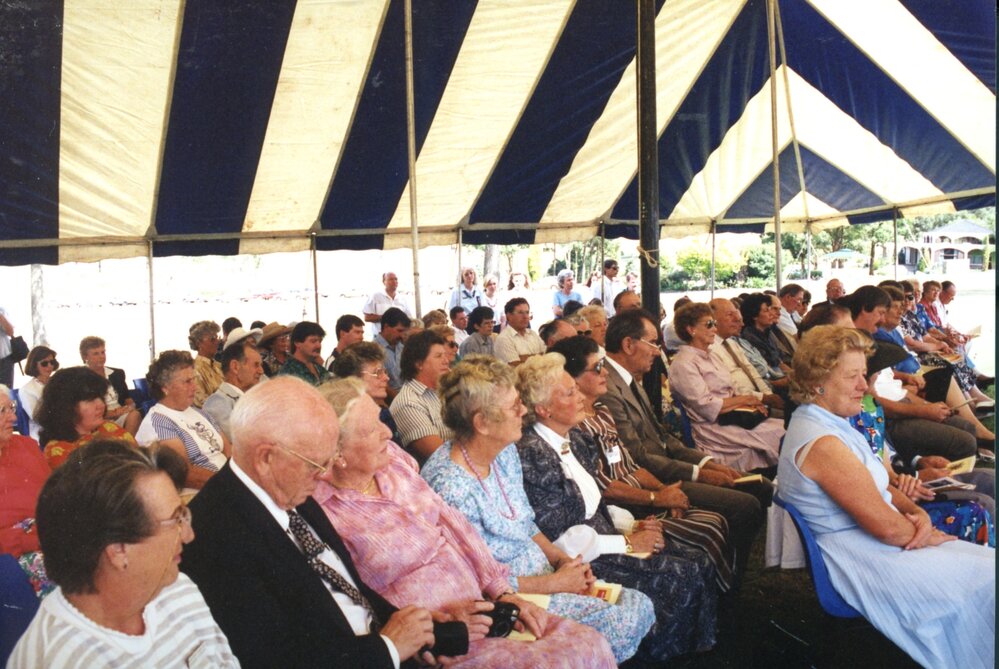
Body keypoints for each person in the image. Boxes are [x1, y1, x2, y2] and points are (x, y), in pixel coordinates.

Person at [314, 378, 618, 669]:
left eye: (383, 421)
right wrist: (434, 626)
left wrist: (502, 593)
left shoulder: (394, 462)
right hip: (440, 638)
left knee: (591, 644)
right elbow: (358, 601)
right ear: (336, 452)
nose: (389, 434)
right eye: (371, 430)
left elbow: (453, 524)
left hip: (484, 610)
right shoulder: (323, 513)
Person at [181, 376, 456, 669]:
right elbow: (275, 660)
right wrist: (388, 648)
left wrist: (412, 624)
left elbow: (350, 590)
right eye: (316, 463)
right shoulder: (214, 537)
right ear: (266, 458)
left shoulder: (291, 490)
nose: (325, 473)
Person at [776, 325, 994, 669]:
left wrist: (916, 513)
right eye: (853, 377)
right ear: (818, 381)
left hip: (870, 545)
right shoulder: (823, 442)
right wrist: (928, 534)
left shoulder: (827, 423)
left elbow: (881, 484)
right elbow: (887, 529)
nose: (864, 387)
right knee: (987, 580)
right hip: (861, 559)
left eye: (864, 375)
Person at [421, 357, 656, 664]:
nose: (523, 411)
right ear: (482, 423)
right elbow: (473, 583)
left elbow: (527, 525)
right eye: (514, 405)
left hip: (545, 576)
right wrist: (555, 583)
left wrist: (564, 562)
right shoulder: (450, 487)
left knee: (639, 603)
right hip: (511, 601)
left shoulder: (503, 453)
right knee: (624, 620)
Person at [514, 354, 721, 660]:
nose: (581, 396)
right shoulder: (533, 454)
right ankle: (661, 656)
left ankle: (693, 651)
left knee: (699, 559)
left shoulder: (575, 439)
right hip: (578, 558)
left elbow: (595, 501)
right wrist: (627, 542)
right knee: (682, 573)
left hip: (605, 538)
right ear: (543, 409)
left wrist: (632, 526)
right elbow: (559, 535)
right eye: (570, 393)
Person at [9, 439, 238, 667]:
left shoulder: (177, 588)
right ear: (118, 550)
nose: (189, 535)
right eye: (176, 520)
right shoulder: (64, 659)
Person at [550, 337, 736, 588]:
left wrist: (664, 491)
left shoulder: (602, 409)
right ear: (573, 378)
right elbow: (606, 488)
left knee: (715, 523)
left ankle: (721, 599)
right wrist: (656, 499)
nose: (605, 372)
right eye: (596, 368)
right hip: (622, 507)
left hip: (640, 495)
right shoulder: (576, 426)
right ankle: (719, 601)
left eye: (603, 364)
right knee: (707, 533)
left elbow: (630, 464)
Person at [599, 309, 767, 581]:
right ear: (628, 344)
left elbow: (663, 438)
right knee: (745, 505)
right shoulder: (608, 386)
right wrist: (700, 474)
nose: (658, 351)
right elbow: (638, 455)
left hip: (667, 469)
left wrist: (706, 462)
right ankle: (729, 582)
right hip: (655, 479)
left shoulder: (629, 378)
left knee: (758, 485)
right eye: (652, 343)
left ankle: (731, 573)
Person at [669, 303, 784, 472]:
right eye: (709, 324)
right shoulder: (684, 364)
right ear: (690, 329)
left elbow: (731, 389)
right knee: (781, 435)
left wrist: (750, 404)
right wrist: (746, 399)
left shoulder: (710, 356)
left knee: (785, 429)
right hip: (714, 429)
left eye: (714, 324)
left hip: (734, 417)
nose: (714, 329)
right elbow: (706, 405)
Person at [136, 351, 232, 489]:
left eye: (193, 379)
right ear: (165, 388)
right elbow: (185, 473)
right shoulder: (159, 421)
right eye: (187, 381)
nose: (195, 386)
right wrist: (230, 485)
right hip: (200, 491)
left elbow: (228, 450)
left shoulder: (200, 413)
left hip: (224, 482)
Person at [36, 367, 137, 469]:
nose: (101, 405)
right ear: (66, 407)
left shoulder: (110, 427)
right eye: (90, 400)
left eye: (101, 397)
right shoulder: (59, 452)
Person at [0, 387, 50, 577]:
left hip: (49, 533)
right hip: (13, 556)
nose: (13, 418)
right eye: (2, 411)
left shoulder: (26, 446)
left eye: (11, 408)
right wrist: (28, 540)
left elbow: (54, 496)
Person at [707, 299, 785, 411]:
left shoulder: (732, 343)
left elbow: (751, 371)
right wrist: (764, 398)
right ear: (713, 320)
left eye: (736, 315)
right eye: (730, 315)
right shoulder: (709, 349)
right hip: (741, 406)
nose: (737, 320)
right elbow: (730, 386)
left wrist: (768, 394)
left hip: (759, 399)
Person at [390, 330, 453, 462]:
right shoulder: (408, 403)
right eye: (438, 356)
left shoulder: (444, 390)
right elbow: (440, 457)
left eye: (445, 355)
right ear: (419, 364)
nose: (446, 361)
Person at [330, 341, 399, 441]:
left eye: (384, 371)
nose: (386, 378)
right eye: (378, 373)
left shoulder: (382, 412)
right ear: (354, 378)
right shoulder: (348, 423)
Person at [203, 335, 265, 440]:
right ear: (235, 367)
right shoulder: (217, 402)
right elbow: (241, 441)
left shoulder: (253, 398)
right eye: (256, 365)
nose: (261, 371)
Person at [80, 335, 141, 436]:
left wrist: (130, 407)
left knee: (135, 415)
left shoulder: (117, 373)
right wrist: (111, 414)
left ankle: (128, 447)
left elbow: (127, 398)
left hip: (120, 413)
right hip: (98, 417)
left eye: (103, 352)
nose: (101, 356)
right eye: (96, 353)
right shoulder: (81, 377)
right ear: (85, 357)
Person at [740, 293, 790, 372]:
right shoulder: (749, 337)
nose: (771, 314)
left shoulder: (767, 332)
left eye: (770, 309)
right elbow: (771, 363)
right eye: (767, 311)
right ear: (754, 315)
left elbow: (780, 356)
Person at [19, 346, 59, 442]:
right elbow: (37, 417)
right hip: (43, 434)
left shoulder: (58, 382)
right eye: (44, 363)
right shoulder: (27, 390)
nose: (49, 366)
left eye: (52, 362)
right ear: (34, 365)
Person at [276, 321, 331, 386]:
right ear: (297, 343)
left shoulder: (320, 369)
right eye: (313, 341)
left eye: (320, 341)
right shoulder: (288, 373)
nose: (318, 345)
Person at [494, 298, 545, 366]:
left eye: (527, 312)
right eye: (520, 313)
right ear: (509, 316)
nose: (525, 316)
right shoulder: (504, 338)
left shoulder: (533, 334)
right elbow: (516, 366)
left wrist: (524, 358)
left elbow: (547, 356)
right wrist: (538, 356)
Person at [363, 271, 412, 337]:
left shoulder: (402, 299)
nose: (394, 281)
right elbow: (367, 317)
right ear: (384, 282)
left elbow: (409, 318)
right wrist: (386, 318)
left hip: (399, 338)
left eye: (396, 279)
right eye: (391, 279)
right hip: (380, 336)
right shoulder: (376, 296)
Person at [375, 307, 410, 398]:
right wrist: (399, 399)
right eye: (399, 331)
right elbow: (379, 381)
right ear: (386, 327)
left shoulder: (402, 347)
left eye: (404, 332)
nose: (402, 335)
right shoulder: (374, 350)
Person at [188, 321, 223, 408]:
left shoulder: (218, 366)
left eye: (217, 337)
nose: (217, 341)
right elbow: (201, 403)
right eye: (212, 339)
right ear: (199, 343)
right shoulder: (194, 370)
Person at [0, 305, 15, 388]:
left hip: (4, 360)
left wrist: (1, 317)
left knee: (6, 392)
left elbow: (10, 332)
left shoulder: (1, 310)